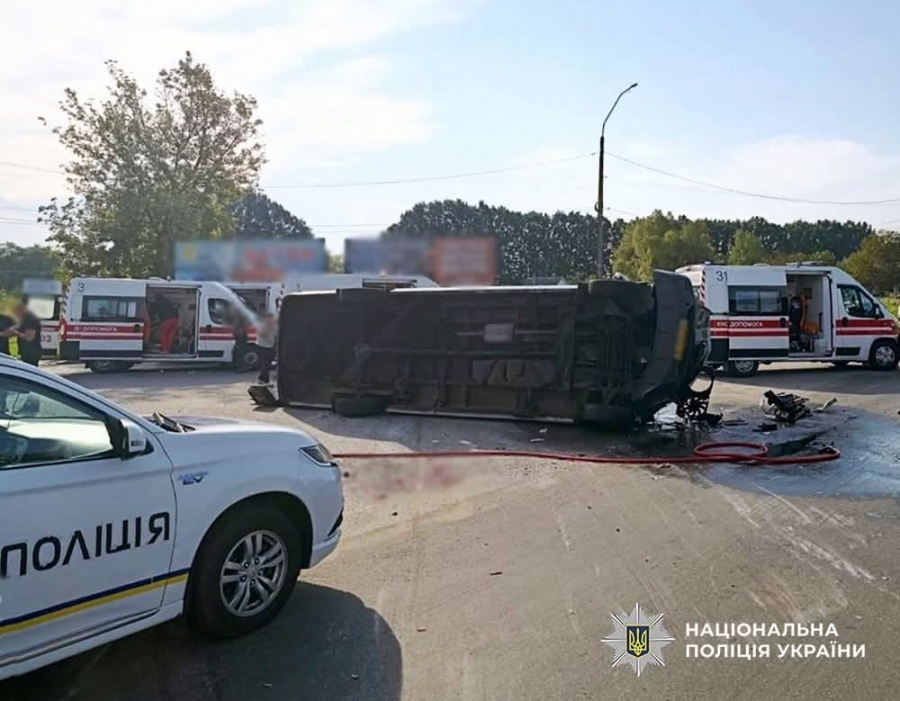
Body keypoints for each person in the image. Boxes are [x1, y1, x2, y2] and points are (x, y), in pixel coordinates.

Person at [4, 298, 42, 366]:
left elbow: (29, 337)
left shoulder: (30, 318)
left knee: (30, 369)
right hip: (25, 351)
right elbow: (20, 327)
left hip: (32, 352)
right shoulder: (23, 317)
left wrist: (15, 333)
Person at [255, 311, 277, 385]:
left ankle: (260, 379)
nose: (271, 320)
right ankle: (266, 381)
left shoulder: (274, 326)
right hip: (262, 346)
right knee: (265, 364)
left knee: (267, 364)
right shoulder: (263, 326)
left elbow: (276, 335)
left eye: (272, 318)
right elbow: (262, 334)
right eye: (269, 319)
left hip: (270, 347)